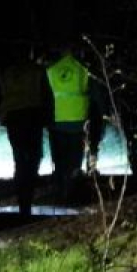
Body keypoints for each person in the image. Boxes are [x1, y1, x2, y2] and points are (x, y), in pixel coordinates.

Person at [0, 45, 54, 217]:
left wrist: (0, 116)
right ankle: (27, 191)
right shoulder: (37, 70)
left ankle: (23, 197)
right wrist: (48, 118)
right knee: (34, 155)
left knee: (19, 157)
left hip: (13, 117)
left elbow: (0, 95)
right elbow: (46, 94)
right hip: (32, 115)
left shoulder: (6, 73)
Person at [46, 44, 92, 204]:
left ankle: (60, 191)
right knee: (74, 159)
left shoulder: (51, 70)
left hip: (58, 122)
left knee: (60, 159)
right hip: (77, 121)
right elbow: (87, 90)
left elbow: (48, 96)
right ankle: (72, 193)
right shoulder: (82, 68)